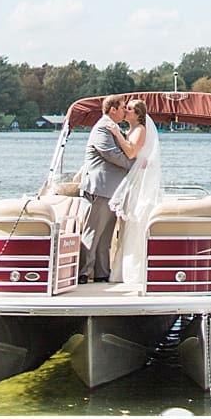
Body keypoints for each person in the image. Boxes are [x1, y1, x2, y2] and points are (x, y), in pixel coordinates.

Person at [105, 98, 164, 288]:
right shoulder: (132, 130)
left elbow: (131, 152)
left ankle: (134, 271)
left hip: (139, 183)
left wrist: (116, 133)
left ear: (138, 114)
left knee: (135, 224)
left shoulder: (140, 130)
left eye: (129, 109)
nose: (126, 112)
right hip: (134, 180)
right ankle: (121, 270)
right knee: (127, 225)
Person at [77, 94, 133, 281]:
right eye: (123, 107)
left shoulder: (114, 128)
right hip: (99, 188)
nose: (125, 111)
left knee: (106, 236)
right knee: (92, 232)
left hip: (112, 191)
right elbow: (111, 154)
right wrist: (135, 165)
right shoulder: (102, 127)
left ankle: (102, 274)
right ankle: (83, 273)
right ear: (113, 109)